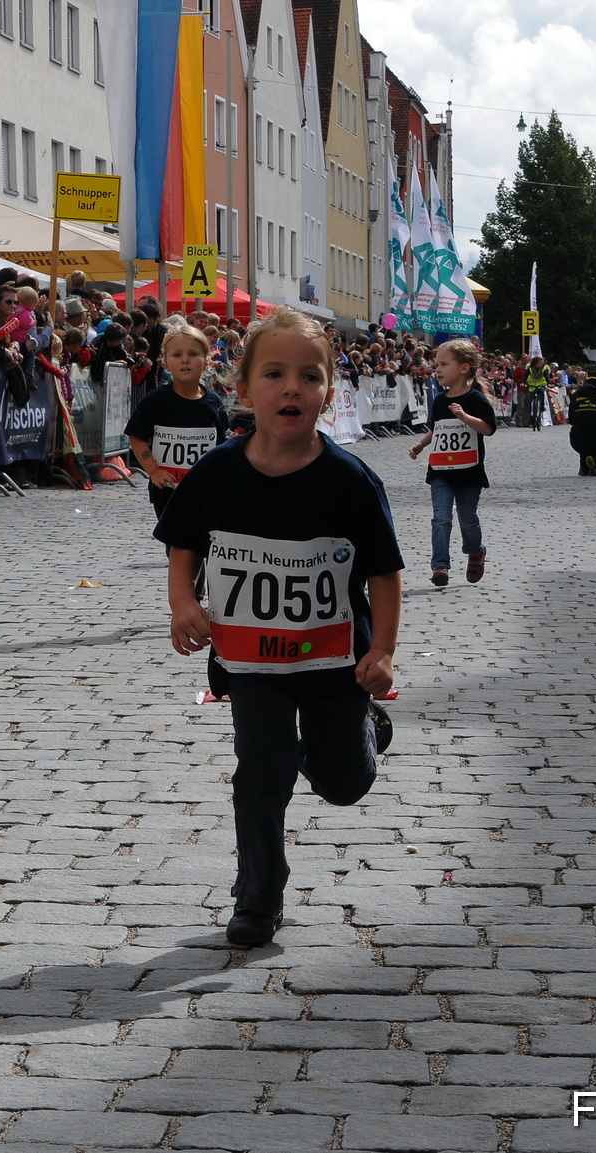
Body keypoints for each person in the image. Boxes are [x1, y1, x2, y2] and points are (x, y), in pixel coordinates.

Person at [156, 307, 402, 948]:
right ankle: (257, 899)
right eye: (274, 374)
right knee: (259, 771)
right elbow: (183, 543)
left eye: (309, 376)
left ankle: (364, 731)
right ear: (243, 390)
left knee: (342, 784)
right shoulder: (217, 471)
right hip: (251, 662)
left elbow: (383, 571)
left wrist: (381, 650)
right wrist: (184, 602)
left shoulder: (350, 479)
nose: (292, 387)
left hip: (332, 663)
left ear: (328, 392)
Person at [407, 339, 496, 586]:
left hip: (468, 471)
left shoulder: (476, 399)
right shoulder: (439, 400)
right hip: (441, 470)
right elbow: (437, 429)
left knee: (468, 519)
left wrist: (465, 416)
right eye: (437, 364)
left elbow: (488, 429)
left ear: (464, 368)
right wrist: (421, 445)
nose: (437, 370)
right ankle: (440, 565)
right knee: (441, 518)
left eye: (444, 364)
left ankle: (475, 551)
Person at [126, 319, 230, 524]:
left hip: (203, 490)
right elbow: (136, 437)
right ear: (165, 361)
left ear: (206, 359)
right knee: (177, 546)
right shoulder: (155, 401)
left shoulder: (214, 401)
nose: (185, 360)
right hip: (167, 490)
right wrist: (154, 471)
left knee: (201, 545)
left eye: (193, 354)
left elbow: (221, 445)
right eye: (177, 355)